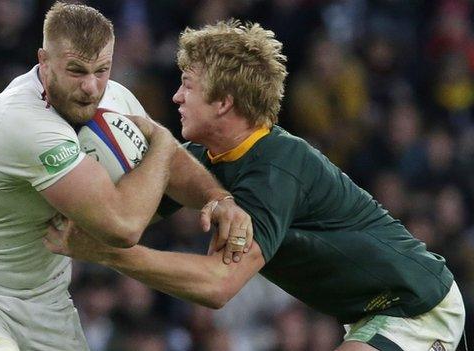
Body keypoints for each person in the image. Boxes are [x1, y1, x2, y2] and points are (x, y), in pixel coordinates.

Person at [43, 20, 466, 351]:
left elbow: (217, 285)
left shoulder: (277, 167)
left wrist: (108, 253)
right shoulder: (206, 160)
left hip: (417, 305)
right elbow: (126, 215)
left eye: (187, 85)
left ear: (224, 101)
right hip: (370, 313)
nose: (175, 98)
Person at [0, 3, 253, 351]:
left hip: (47, 304)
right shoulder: (24, 120)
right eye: (76, 70)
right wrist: (162, 142)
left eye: (102, 70)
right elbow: (123, 226)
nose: (91, 87)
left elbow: (174, 170)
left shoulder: (114, 98)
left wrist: (218, 198)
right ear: (44, 61)